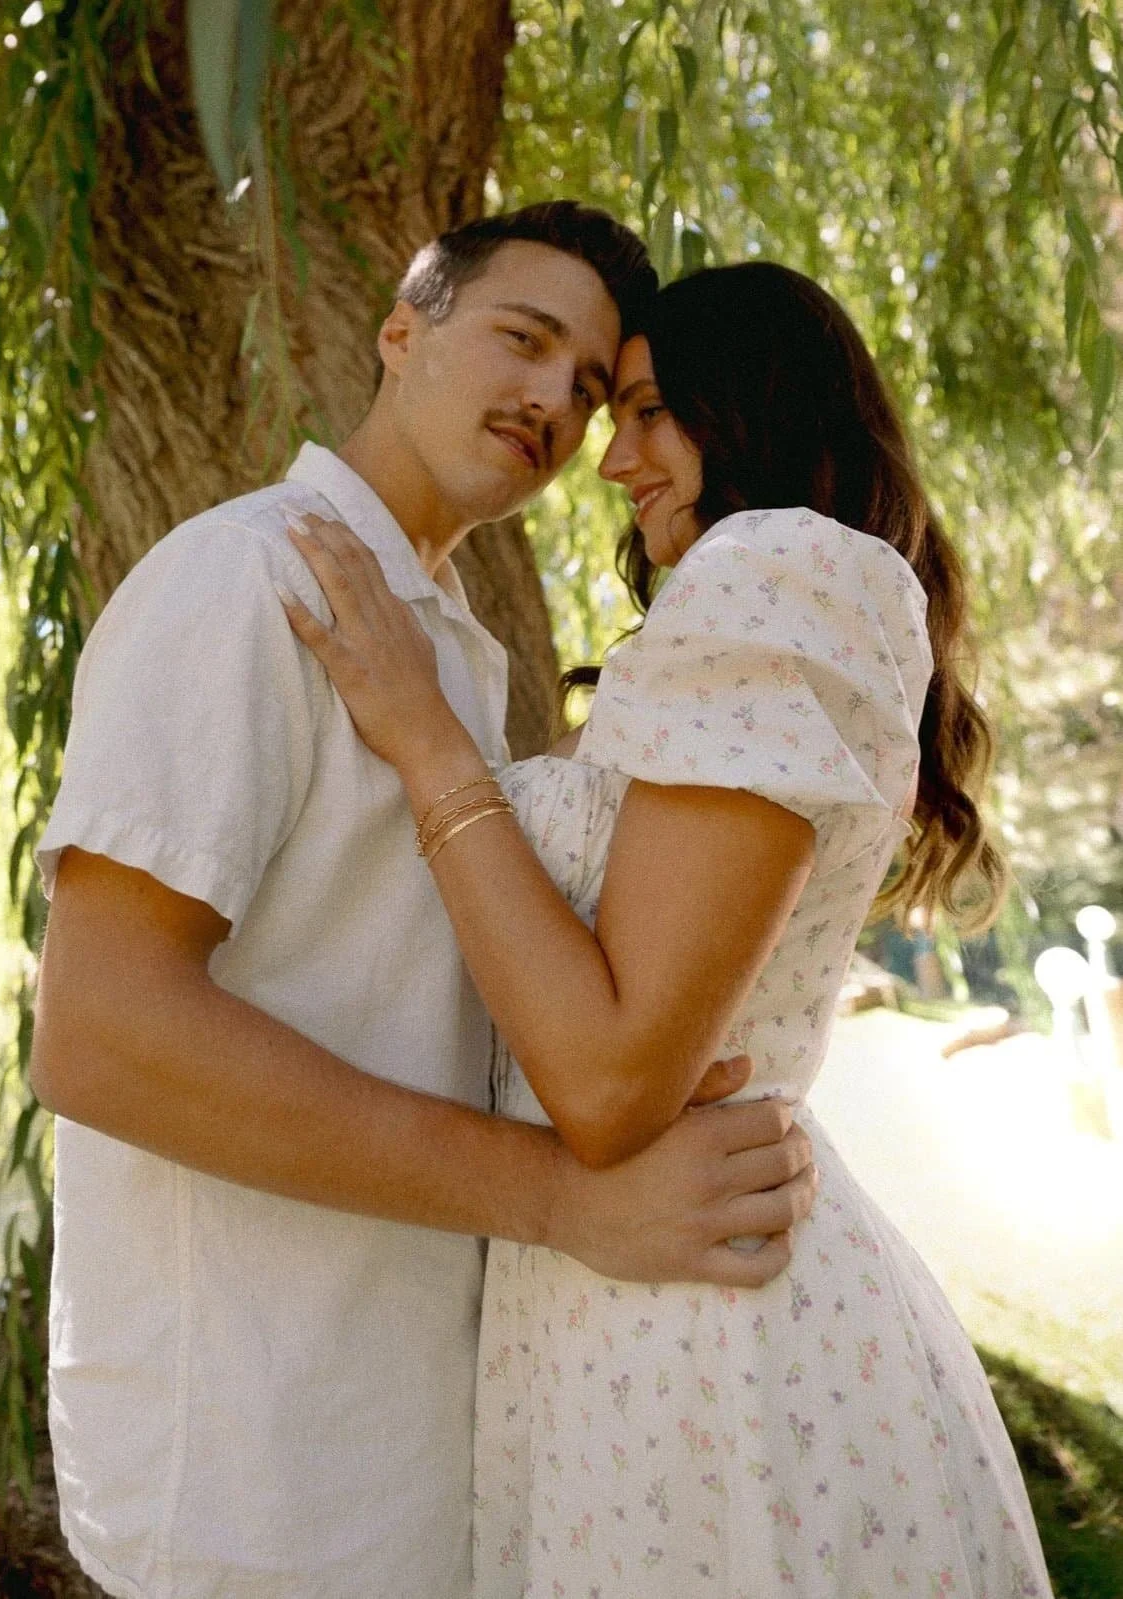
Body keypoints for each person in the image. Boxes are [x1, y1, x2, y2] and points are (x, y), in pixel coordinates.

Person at [29, 207, 819, 1599]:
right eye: (523, 340)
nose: (552, 403)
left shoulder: (456, 655)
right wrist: (565, 1199)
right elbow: (99, 1031)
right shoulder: (246, 579)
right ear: (403, 331)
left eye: (588, 387)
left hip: (402, 1434)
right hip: (250, 1464)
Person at [281, 261, 1053, 1596]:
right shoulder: (767, 599)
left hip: (699, 1338)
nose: (609, 460)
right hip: (640, 1293)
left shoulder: (772, 572)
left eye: (643, 410)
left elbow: (607, 1083)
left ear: (743, 405)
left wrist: (425, 740)